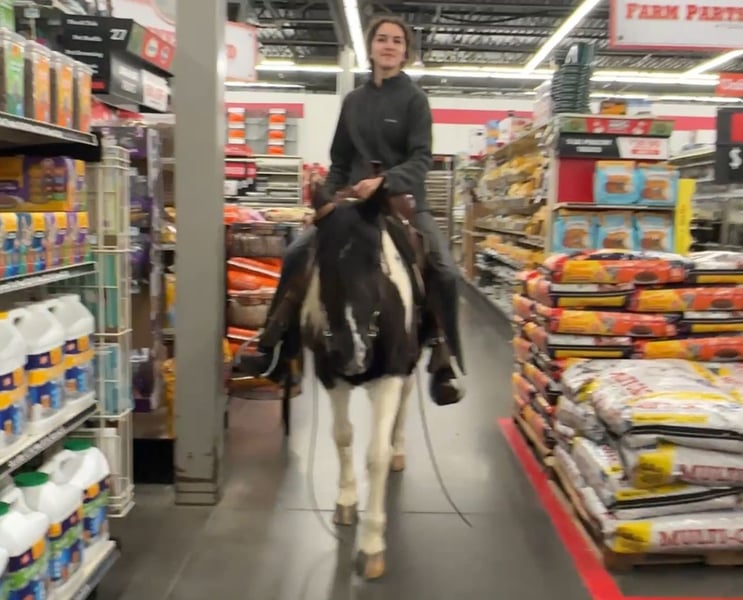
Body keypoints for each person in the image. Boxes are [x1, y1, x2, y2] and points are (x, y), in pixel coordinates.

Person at [237, 15, 464, 405]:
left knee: (445, 270)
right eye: (382, 39)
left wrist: (385, 180)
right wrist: (325, 199)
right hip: (352, 204)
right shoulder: (353, 101)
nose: (389, 45)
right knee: (296, 253)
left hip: (403, 201)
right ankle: (276, 347)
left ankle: (443, 358)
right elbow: (340, 161)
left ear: (405, 53)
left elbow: (421, 158)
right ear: (371, 48)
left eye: (397, 41)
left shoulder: (415, 100)